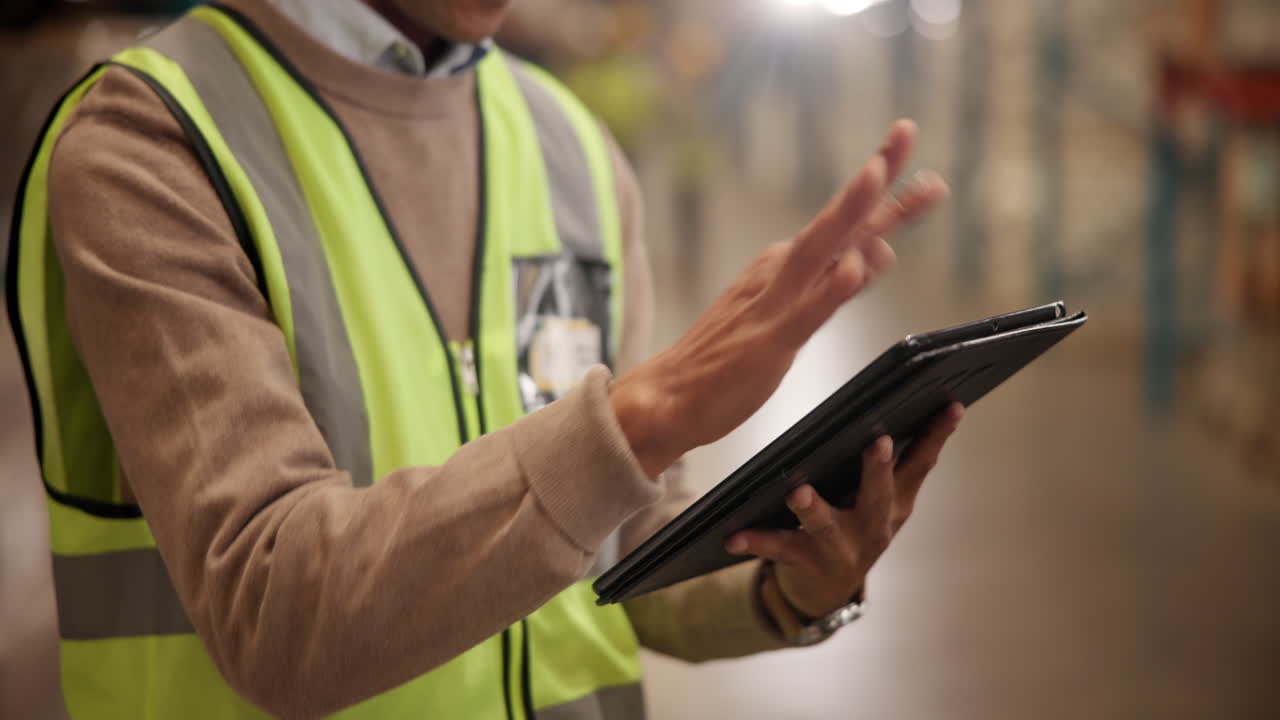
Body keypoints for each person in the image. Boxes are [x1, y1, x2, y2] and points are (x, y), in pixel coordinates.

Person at [5, 0, 957, 718]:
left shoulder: (571, 146)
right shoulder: (156, 139)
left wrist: (795, 582)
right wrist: (642, 417)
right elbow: (273, 614)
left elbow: (624, 557)